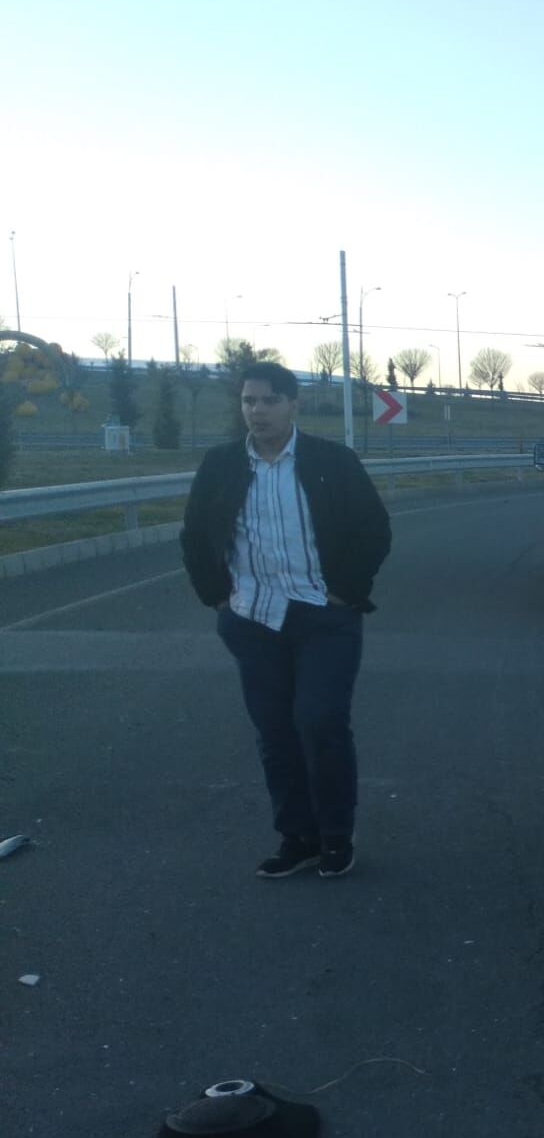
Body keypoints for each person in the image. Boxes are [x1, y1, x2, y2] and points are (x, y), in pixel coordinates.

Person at [180, 360, 391, 880]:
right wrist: (218, 599)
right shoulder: (222, 465)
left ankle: (337, 834)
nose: (257, 411)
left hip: (323, 617)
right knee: (275, 731)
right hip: (252, 619)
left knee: (319, 721)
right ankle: (297, 837)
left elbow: (374, 530)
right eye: (249, 401)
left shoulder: (331, 461)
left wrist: (345, 591)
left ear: (293, 404)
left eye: (269, 400)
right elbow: (195, 535)